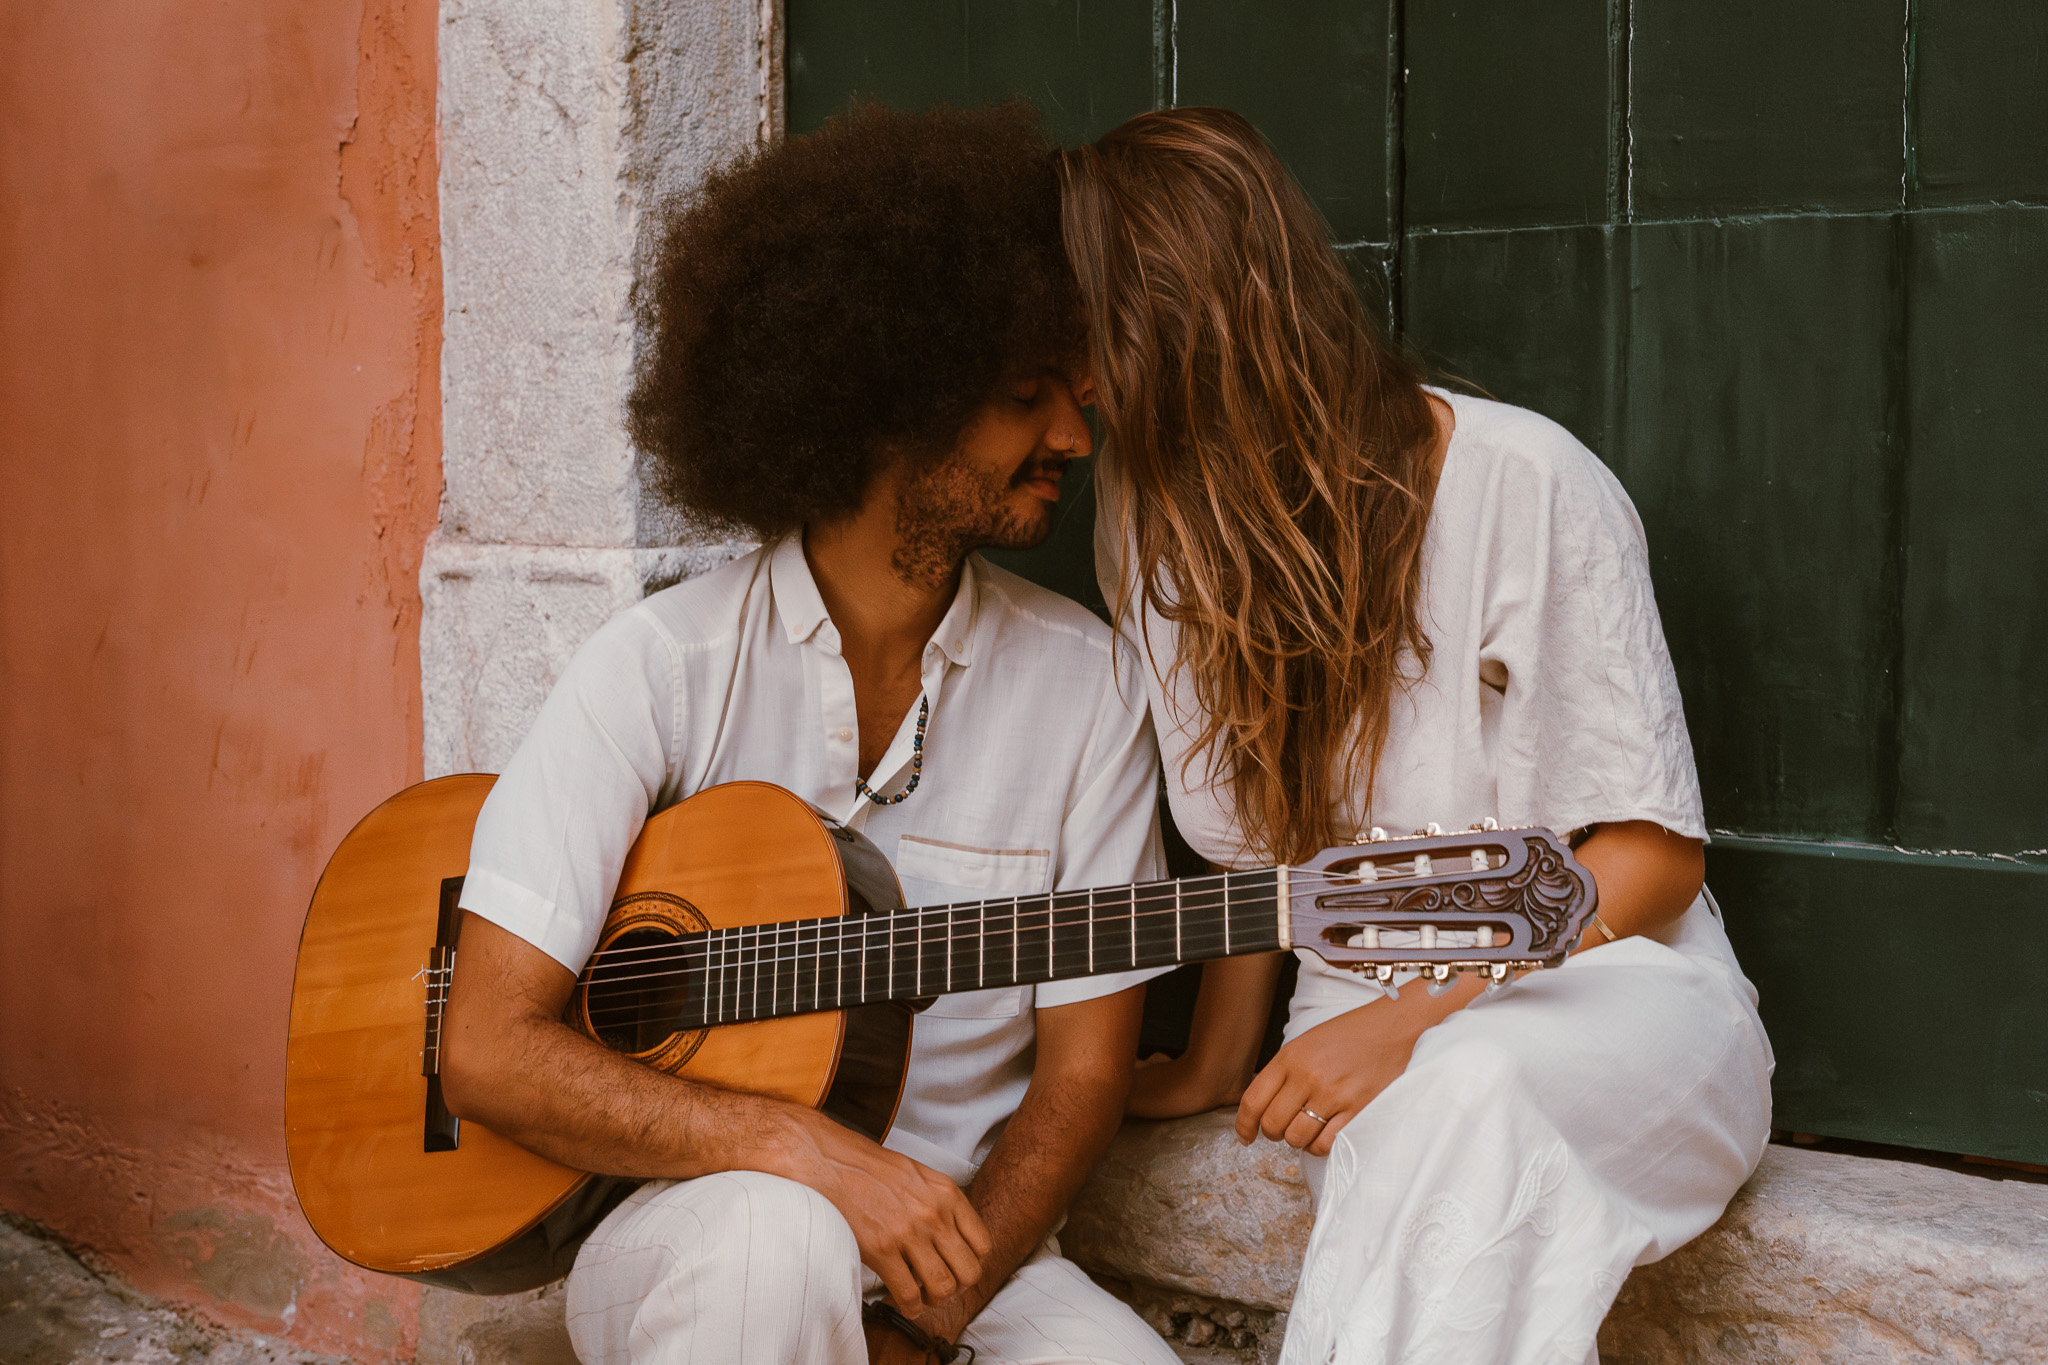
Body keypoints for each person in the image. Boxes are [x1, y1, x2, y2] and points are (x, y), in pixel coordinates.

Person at [440, 103, 1181, 1365]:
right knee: (771, 1249)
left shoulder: (1090, 688)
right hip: (691, 1233)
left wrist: (932, 1314)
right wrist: (803, 1152)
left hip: (967, 1253)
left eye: (1073, 393)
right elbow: (486, 1050)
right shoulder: (660, 670)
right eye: (1023, 397)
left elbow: (1079, 1078)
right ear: (891, 404)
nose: (1072, 435)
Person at [1059, 107, 1774, 1365]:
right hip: (1349, 1035)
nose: (1073, 407)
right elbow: (1263, 861)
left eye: (1080, 347)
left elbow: (1652, 860)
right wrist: (1216, 1061)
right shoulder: (1149, 527)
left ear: (1166, 327)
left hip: (1611, 1004)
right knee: (1441, 1119)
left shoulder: (1523, 481)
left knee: (1469, 1087)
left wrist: (1415, 1022)